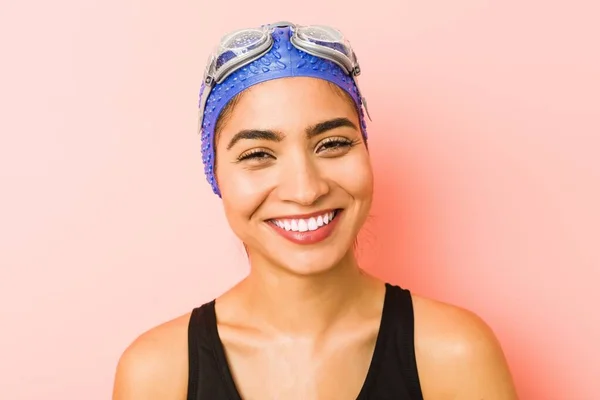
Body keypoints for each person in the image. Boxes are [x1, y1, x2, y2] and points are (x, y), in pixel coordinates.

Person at [112, 22, 518, 399]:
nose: (306, 190)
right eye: (258, 154)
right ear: (215, 175)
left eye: (333, 144)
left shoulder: (454, 353)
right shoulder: (158, 372)